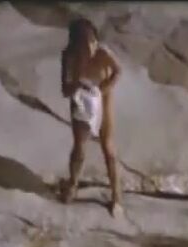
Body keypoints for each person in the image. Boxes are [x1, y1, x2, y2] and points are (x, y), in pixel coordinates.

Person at [60, 18, 122, 216]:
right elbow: (65, 90)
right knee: (79, 146)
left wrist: (103, 90)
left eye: (93, 41)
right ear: (75, 46)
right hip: (81, 99)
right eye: (85, 45)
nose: (90, 48)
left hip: (103, 97)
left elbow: (118, 71)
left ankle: (116, 196)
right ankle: (73, 184)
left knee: (108, 147)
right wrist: (78, 86)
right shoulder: (69, 57)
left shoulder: (103, 54)